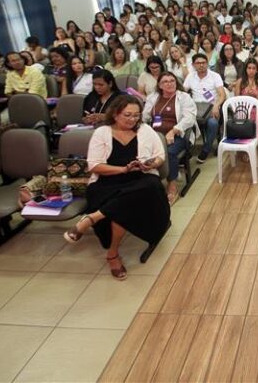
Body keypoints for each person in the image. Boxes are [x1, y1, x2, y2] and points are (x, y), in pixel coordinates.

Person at [63, 95, 170, 279]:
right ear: (115, 114)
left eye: (136, 115)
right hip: (107, 181)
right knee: (123, 204)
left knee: (151, 185)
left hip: (139, 180)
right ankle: (112, 253)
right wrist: (123, 169)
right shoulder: (102, 133)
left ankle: (93, 219)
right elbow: (94, 166)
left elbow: (160, 156)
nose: (132, 119)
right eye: (127, 115)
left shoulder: (145, 130)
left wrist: (151, 164)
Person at [142, 72, 197, 204]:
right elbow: (145, 117)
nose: (169, 84)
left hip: (178, 134)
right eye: (165, 82)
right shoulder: (153, 97)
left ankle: (172, 185)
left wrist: (173, 131)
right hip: (155, 135)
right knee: (142, 151)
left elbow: (189, 118)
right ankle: (149, 182)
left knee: (169, 152)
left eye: (172, 81)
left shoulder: (183, 97)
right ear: (160, 85)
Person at [183, 53, 226, 162]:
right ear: (193, 65)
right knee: (183, 121)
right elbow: (183, 92)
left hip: (211, 107)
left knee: (213, 123)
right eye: (198, 63)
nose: (201, 65)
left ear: (207, 63)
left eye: (203, 62)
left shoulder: (215, 76)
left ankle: (206, 150)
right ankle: (186, 150)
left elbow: (222, 95)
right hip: (195, 108)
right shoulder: (190, 76)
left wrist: (216, 105)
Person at [232, 58, 258, 143]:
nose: (251, 71)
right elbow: (236, 100)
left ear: (257, 70)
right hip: (244, 109)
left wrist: (257, 95)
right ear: (245, 69)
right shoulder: (240, 81)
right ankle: (243, 142)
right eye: (249, 68)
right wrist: (246, 98)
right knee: (240, 115)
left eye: (254, 68)